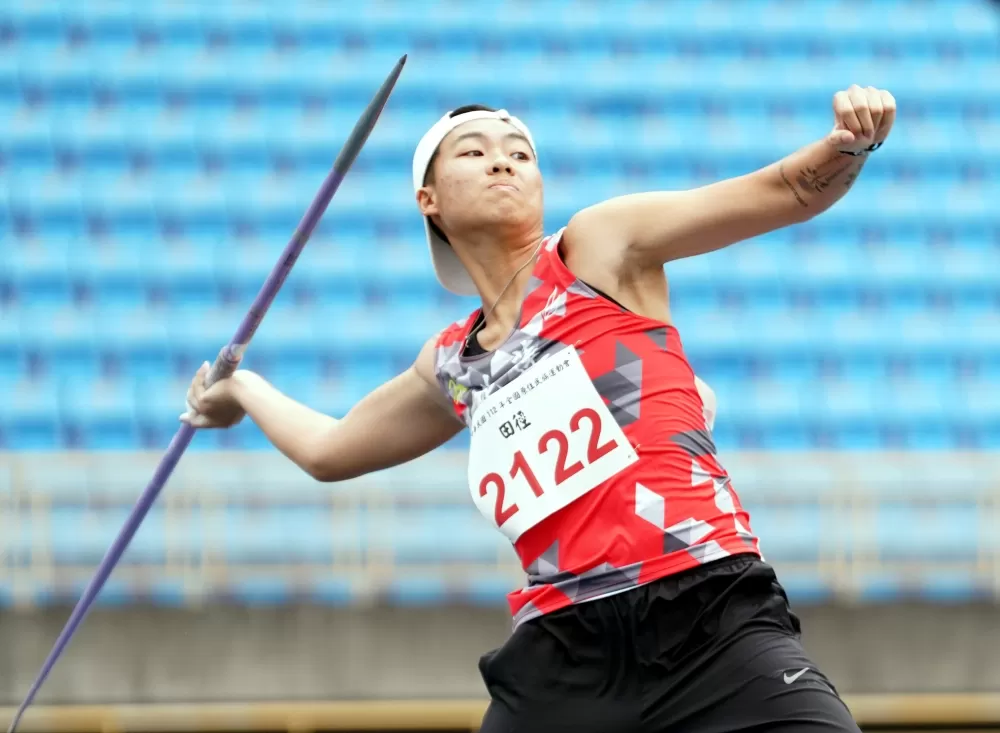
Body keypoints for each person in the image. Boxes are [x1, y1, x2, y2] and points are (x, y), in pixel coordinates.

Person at [182, 84, 895, 732]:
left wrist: (847, 144)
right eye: (474, 151)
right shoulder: (453, 366)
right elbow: (329, 450)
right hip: (563, 659)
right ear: (428, 199)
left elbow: (786, 191)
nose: (502, 162)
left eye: (520, 152)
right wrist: (242, 389)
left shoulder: (598, 249)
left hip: (710, 616)